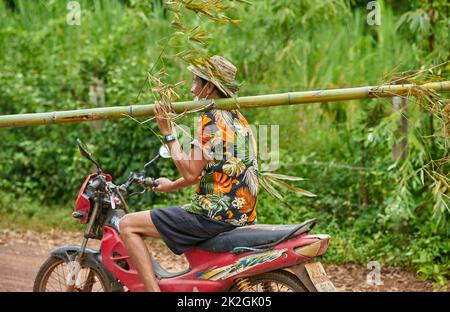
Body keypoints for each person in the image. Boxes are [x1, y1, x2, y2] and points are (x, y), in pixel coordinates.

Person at [119, 55, 259, 292]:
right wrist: (171, 185)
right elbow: (208, 171)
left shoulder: (209, 119)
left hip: (213, 216)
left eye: (196, 81)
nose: (192, 88)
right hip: (241, 213)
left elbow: (189, 170)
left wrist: (168, 131)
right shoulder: (238, 118)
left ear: (209, 87)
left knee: (127, 224)